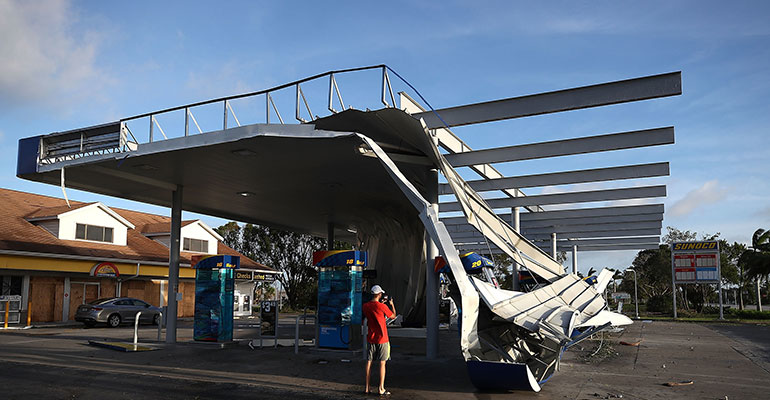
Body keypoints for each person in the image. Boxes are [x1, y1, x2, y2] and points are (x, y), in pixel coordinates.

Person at [363, 284, 396, 396]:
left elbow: (373, 311)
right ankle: (381, 388)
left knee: (369, 361)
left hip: (371, 337)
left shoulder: (366, 306)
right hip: (382, 338)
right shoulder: (382, 307)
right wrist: (391, 305)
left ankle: (367, 387)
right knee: (382, 363)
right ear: (379, 294)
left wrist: (380, 305)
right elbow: (393, 316)